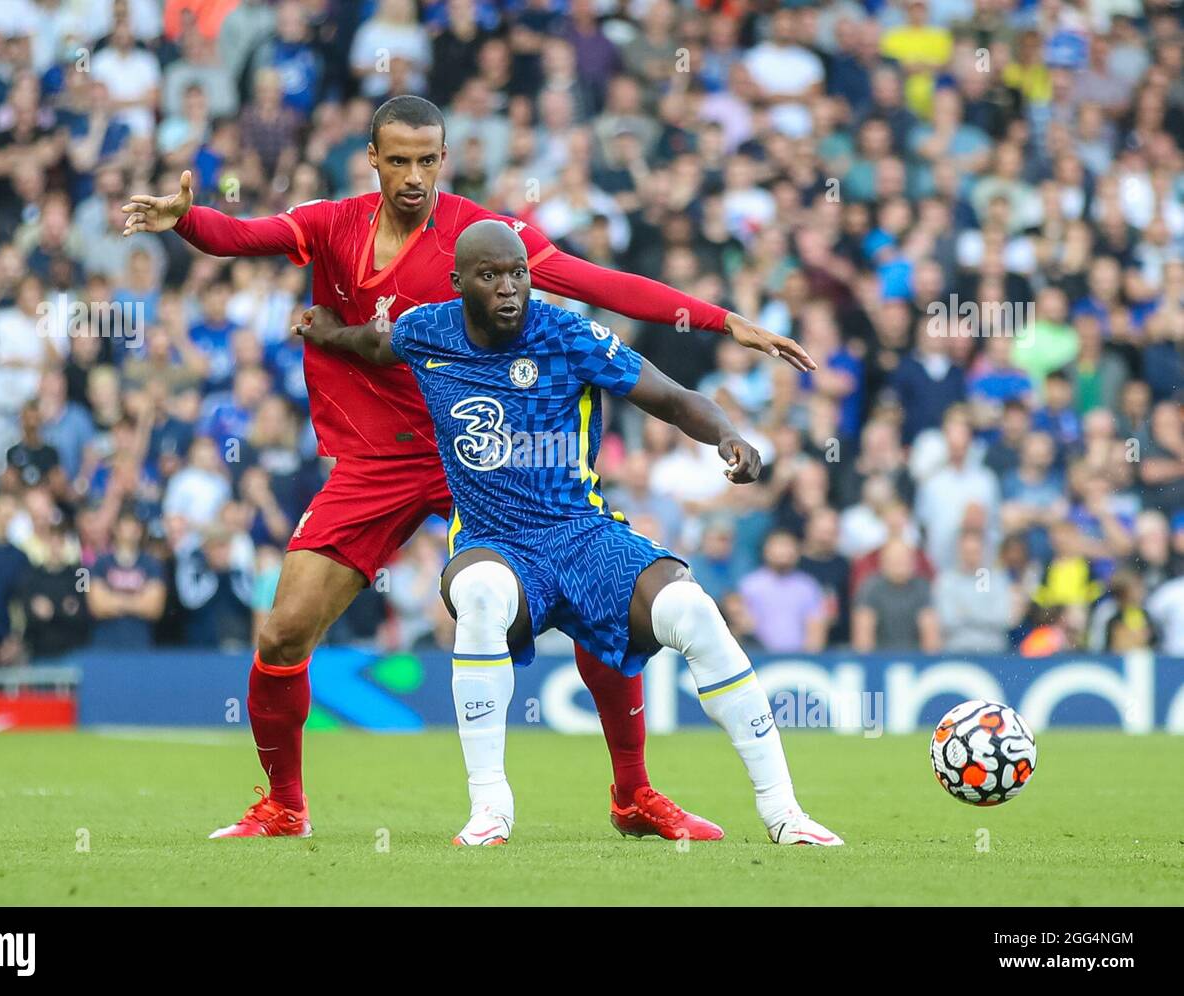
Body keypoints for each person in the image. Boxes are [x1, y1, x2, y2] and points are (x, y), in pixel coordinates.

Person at [121, 94, 815, 841]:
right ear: (374, 159)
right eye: (399, 160)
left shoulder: (489, 238)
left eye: (428, 160)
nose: (414, 176)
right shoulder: (331, 223)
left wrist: (721, 320)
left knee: (593, 598)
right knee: (284, 632)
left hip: (488, 458)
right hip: (378, 458)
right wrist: (186, 219)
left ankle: (633, 792)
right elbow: (245, 235)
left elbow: (599, 285)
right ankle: (284, 807)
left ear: (443, 160)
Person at [300, 219, 841, 847]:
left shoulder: (568, 334)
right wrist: (328, 332)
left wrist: (726, 435)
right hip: (494, 541)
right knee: (477, 598)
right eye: (491, 276)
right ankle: (490, 811)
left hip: (582, 535)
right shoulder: (429, 330)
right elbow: (373, 344)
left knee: (692, 609)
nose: (509, 288)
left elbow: (668, 397)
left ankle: (784, 814)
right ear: (458, 283)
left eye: (519, 274)